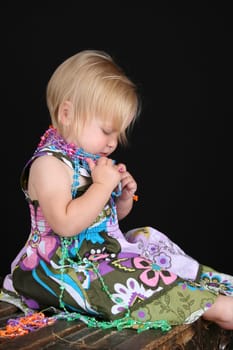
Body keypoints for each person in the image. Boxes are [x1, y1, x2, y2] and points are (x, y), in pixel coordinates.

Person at [2, 49, 233, 333]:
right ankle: (210, 306)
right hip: (63, 268)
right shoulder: (49, 164)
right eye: (106, 131)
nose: (112, 143)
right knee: (124, 276)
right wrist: (101, 186)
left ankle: (210, 290)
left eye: (118, 135)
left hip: (99, 253)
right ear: (66, 113)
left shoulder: (85, 157)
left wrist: (121, 197)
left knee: (147, 238)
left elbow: (106, 222)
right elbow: (65, 225)